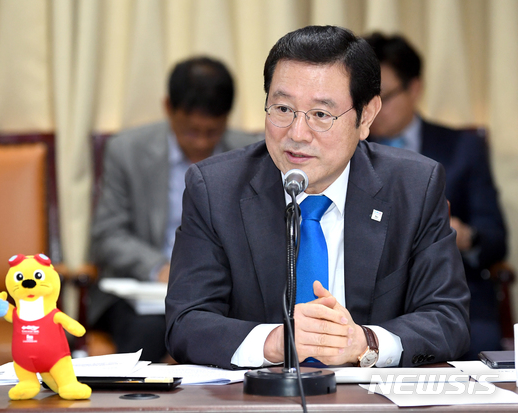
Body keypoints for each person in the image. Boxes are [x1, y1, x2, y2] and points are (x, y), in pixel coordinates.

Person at [165, 25, 471, 369]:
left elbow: (448, 319)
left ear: (366, 116)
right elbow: (186, 322)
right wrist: (275, 342)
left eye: (321, 115)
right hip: (260, 394)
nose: (297, 134)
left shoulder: (414, 187)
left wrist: (365, 343)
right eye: (282, 109)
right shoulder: (215, 189)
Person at [88, 56, 261, 362]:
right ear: (168, 108)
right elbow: (107, 234)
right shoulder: (127, 151)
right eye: (191, 131)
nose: (202, 142)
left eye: (213, 132)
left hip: (221, 291)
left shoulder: (250, 155)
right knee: (150, 331)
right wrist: (159, 269)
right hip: (142, 292)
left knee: (243, 326)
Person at [364, 32, 507, 359]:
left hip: (453, 293)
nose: (374, 109)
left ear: (414, 88)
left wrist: (460, 234)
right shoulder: (349, 152)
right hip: (373, 300)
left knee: (478, 343)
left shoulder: (463, 148)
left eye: (384, 96)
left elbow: (495, 239)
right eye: (365, 98)